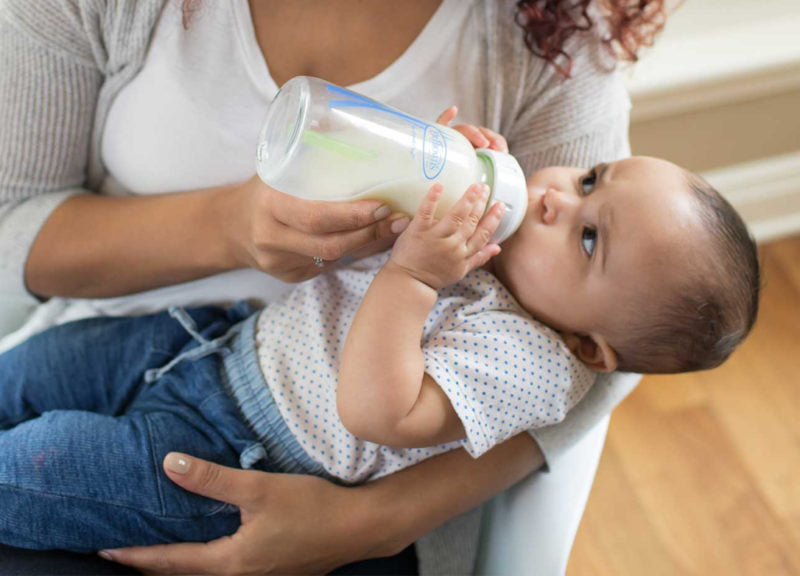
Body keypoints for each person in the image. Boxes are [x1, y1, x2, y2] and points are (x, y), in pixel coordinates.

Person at [0, 0, 681, 572]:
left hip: (323, 475)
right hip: (117, 354)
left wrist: (375, 523)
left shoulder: (552, 6)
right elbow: (13, 227)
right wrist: (232, 227)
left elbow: (613, 341)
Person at [0, 149, 759, 553]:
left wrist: (414, 274)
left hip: (235, 452)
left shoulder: (532, 366)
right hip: (207, 341)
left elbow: (374, 408)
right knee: (29, 371)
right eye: (591, 177)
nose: (558, 197)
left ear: (589, 346)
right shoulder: (494, 247)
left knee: (40, 465)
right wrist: (442, 165)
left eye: (589, 237)